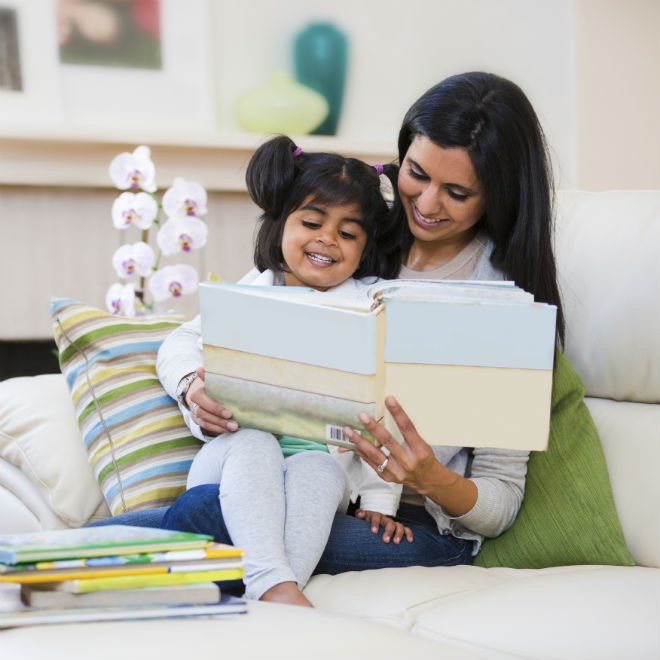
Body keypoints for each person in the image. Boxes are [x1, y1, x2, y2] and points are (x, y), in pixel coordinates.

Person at [102, 71, 570, 586]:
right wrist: (194, 386)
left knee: (210, 515)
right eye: (417, 173)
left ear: (496, 197)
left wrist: (429, 477)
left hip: (406, 524)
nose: (427, 204)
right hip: (295, 482)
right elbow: (195, 336)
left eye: (457, 192)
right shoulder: (354, 229)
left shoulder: (505, 301)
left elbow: (500, 505)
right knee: (221, 504)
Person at [157, 134, 406, 607]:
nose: (327, 238)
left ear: (365, 247)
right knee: (255, 442)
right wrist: (192, 386)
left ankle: (273, 588)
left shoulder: (367, 309)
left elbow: (383, 414)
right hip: (232, 463)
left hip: (319, 466)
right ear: (281, 223)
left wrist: (378, 505)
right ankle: (275, 584)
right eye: (312, 222)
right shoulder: (252, 291)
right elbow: (179, 342)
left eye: (348, 234)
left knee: (320, 469)